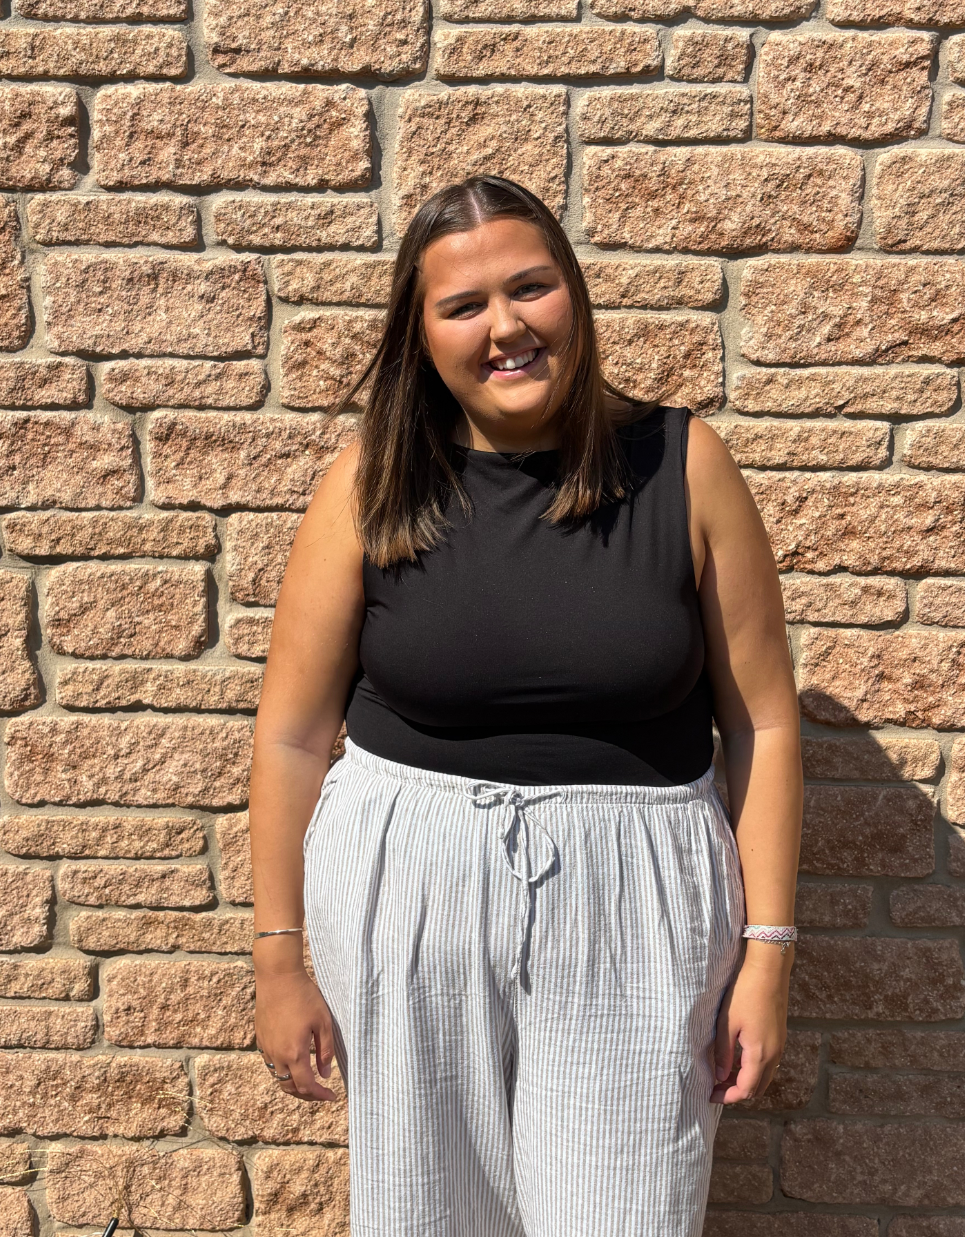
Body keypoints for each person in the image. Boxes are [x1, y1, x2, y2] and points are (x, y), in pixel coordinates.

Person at [248, 175, 803, 1237]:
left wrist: (768, 955)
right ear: (423, 337)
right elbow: (292, 734)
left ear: (574, 298)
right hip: (411, 889)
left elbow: (765, 725)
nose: (505, 327)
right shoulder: (371, 484)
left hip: (637, 905)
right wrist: (278, 960)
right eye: (463, 306)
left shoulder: (685, 469)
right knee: (428, 1215)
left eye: (531, 288)